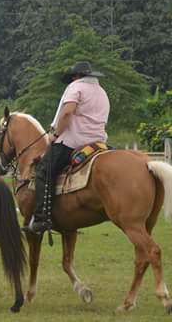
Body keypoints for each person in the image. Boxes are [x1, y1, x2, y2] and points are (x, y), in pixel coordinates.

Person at [24, 61, 110, 235]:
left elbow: (67, 112)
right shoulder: (102, 92)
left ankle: (42, 219)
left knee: (43, 171)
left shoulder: (75, 88)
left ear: (75, 76)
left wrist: (55, 134)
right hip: (98, 143)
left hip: (73, 141)